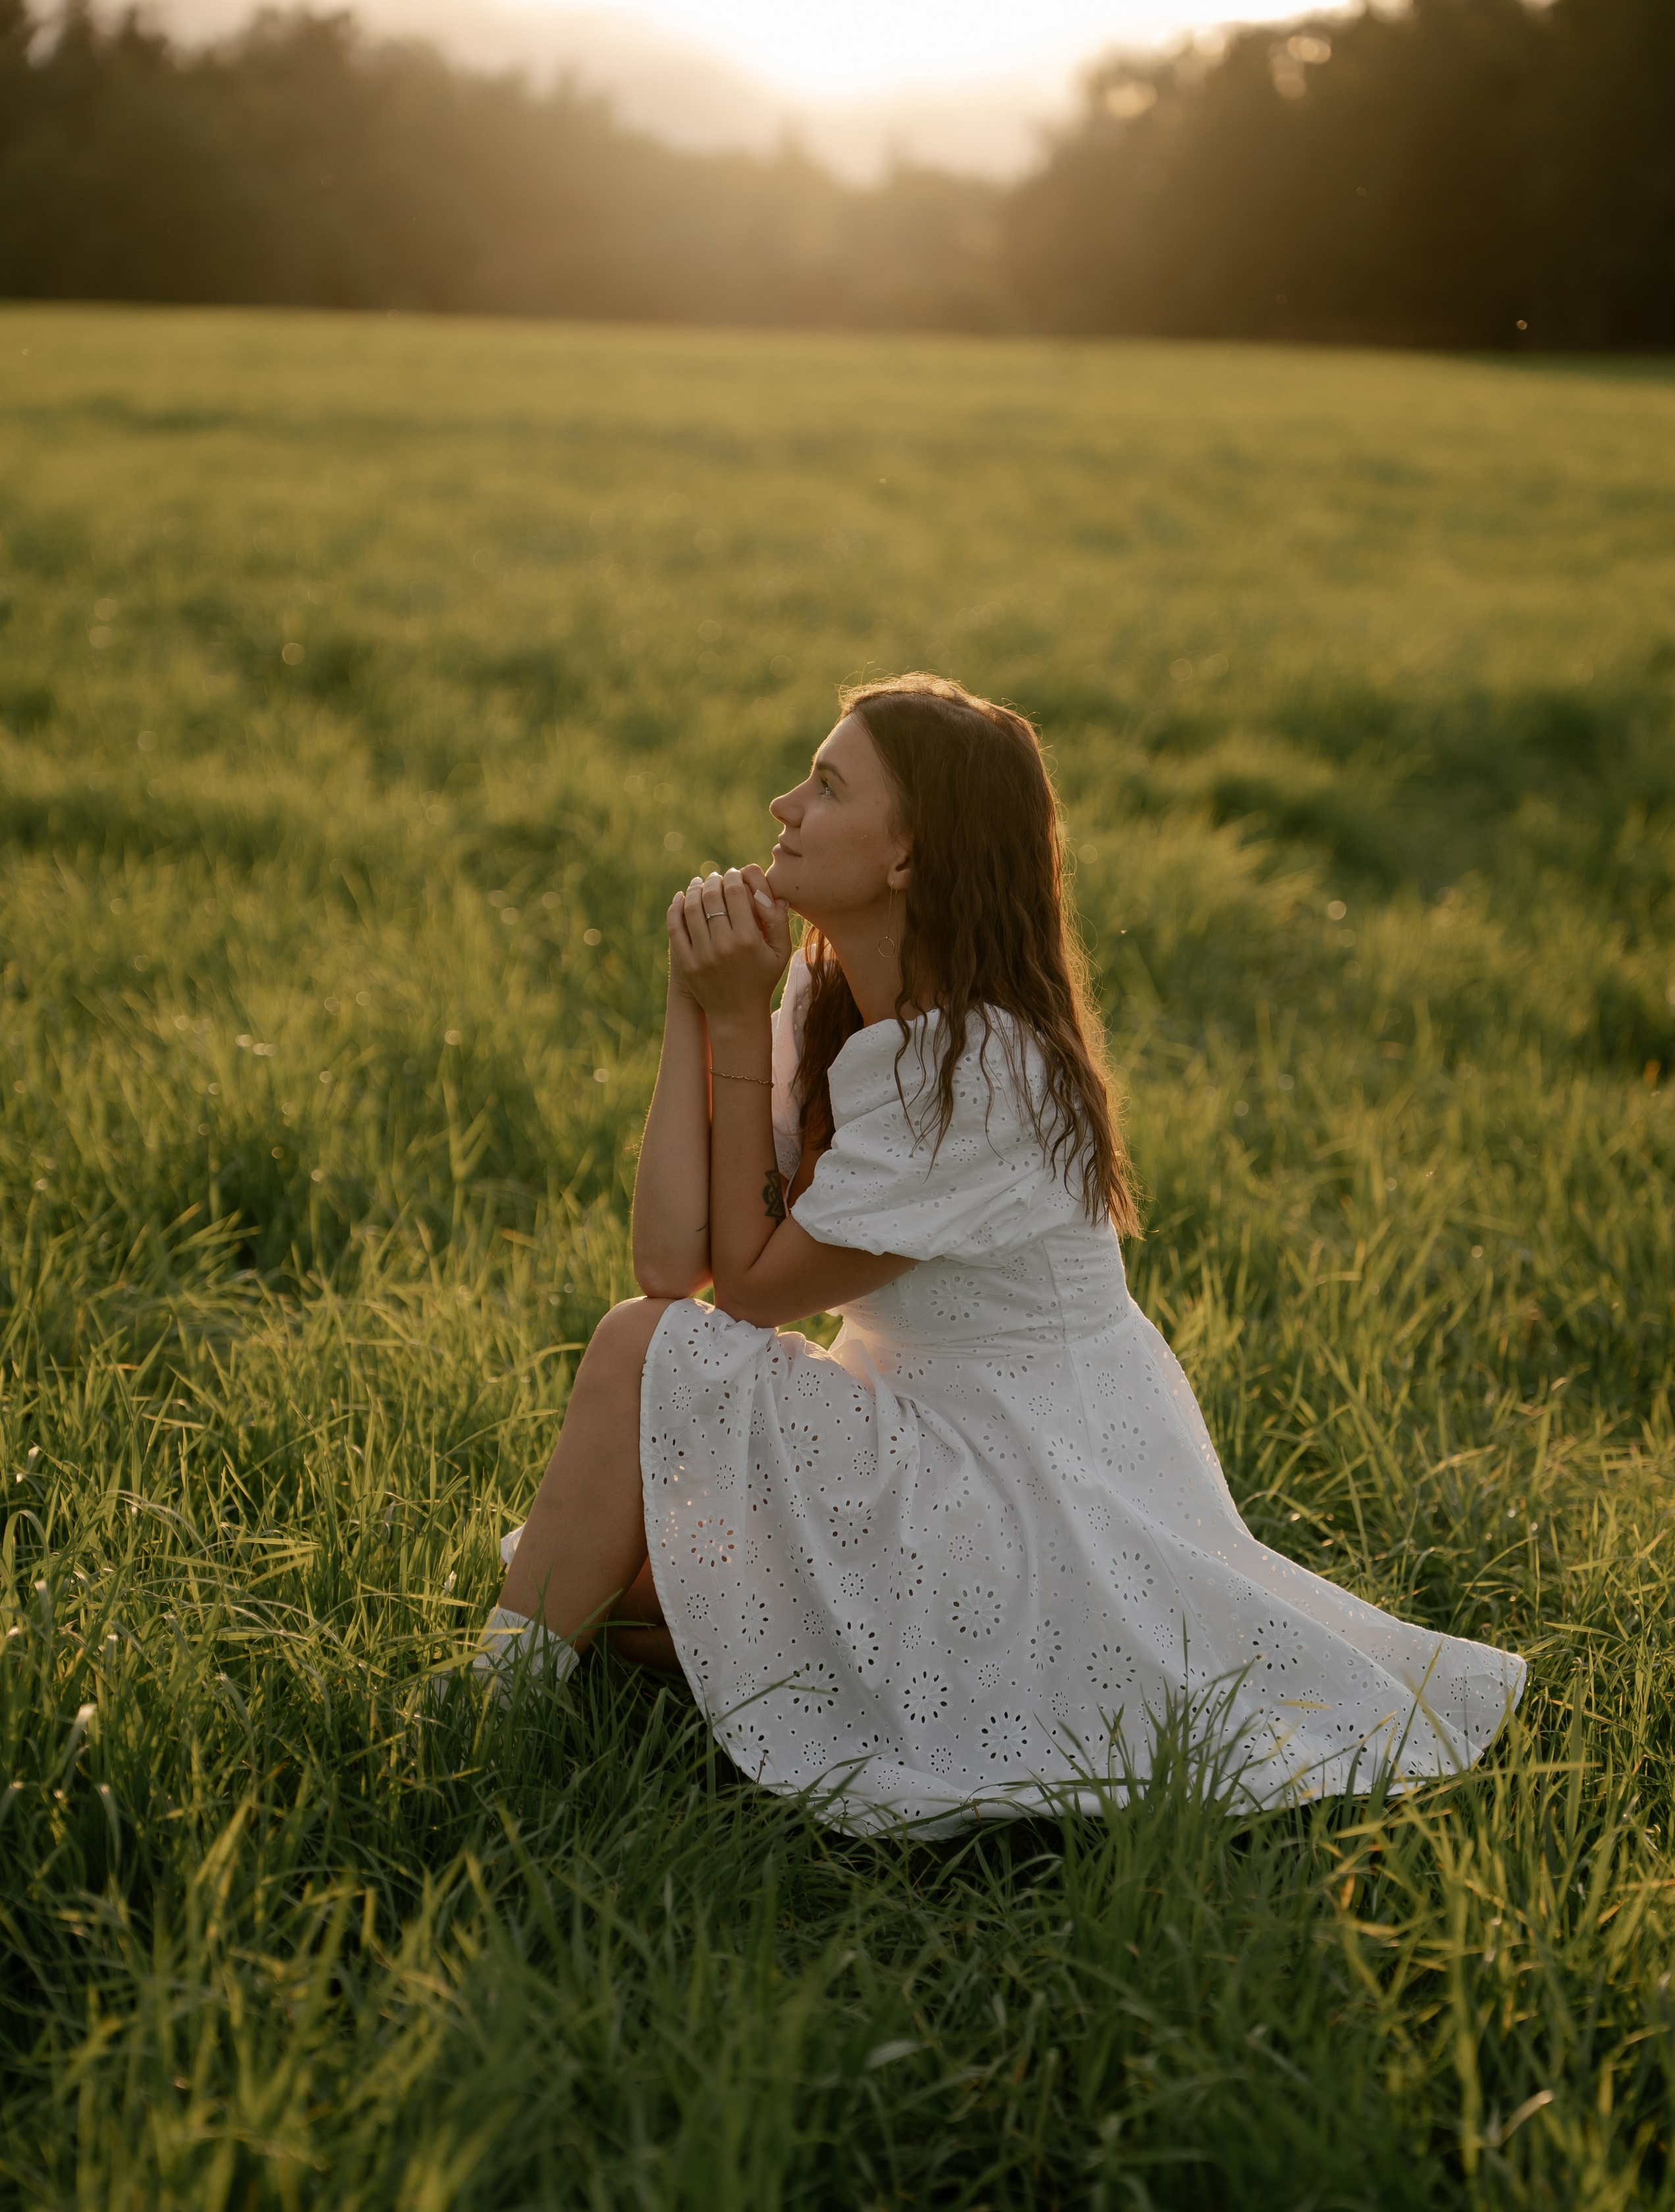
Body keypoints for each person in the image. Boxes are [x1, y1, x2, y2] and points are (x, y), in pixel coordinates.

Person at [475, 673, 1523, 1835]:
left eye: (825, 785)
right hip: (924, 1441)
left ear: (909, 859)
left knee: (631, 1378)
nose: (782, 805)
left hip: (1023, 1490)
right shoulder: (832, 993)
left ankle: (485, 1713)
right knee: (605, 1577)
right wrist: (696, 1004)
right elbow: (678, 1262)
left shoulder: (988, 1073)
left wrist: (731, 1020)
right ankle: (593, 1680)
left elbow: (754, 1292)